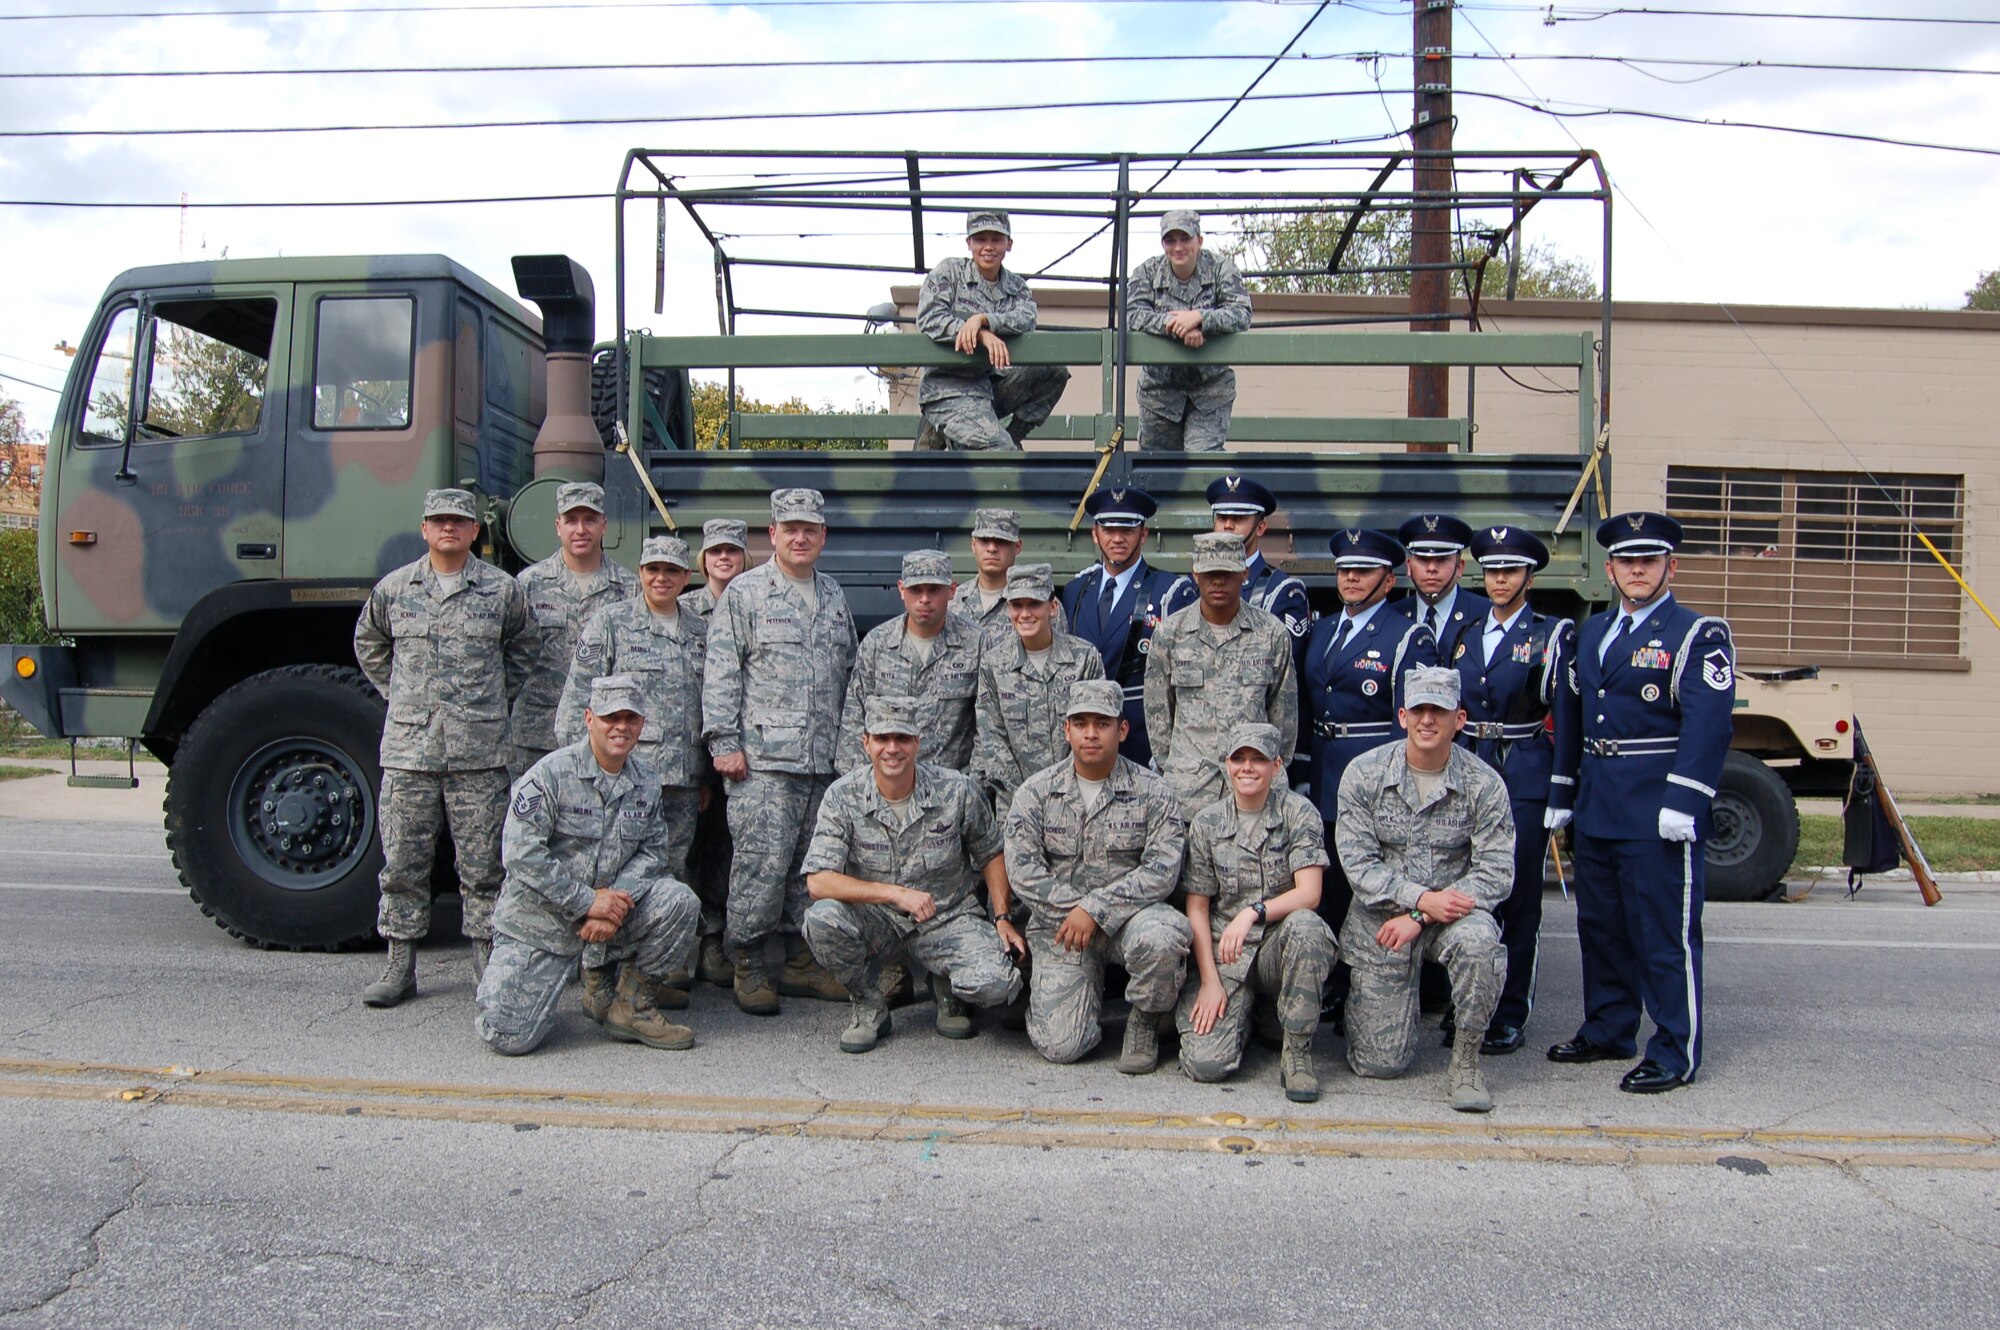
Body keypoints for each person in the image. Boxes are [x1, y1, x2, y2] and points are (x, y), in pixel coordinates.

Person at [1547, 512, 1735, 1094]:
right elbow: (1572, 716)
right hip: (1602, 802)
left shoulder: (1697, 633)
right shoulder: (1594, 631)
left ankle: (1676, 1049)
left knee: (1663, 932)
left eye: (1648, 560)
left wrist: (1685, 799)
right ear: (1610, 569)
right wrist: (1563, 792)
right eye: (1627, 561)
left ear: (1669, 566)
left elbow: (1709, 724)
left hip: (1658, 808)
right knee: (1601, 927)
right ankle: (1609, 1028)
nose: (1637, 570)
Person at [352, 488, 537, 1007]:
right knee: (404, 864)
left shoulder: (501, 591)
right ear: (425, 529)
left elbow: (525, 647)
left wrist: (494, 698)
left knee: (483, 867)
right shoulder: (395, 590)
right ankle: (400, 964)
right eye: (439, 521)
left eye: (460, 520)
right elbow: (368, 642)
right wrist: (401, 694)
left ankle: (485, 960)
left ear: (476, 530)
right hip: (411, 753)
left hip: (478, 753)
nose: (449, 528)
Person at [474, 675, 702, 1056]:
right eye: (611, 717)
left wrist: (613, 905)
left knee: (679, 901)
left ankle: (631, 1005)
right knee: (506, 1035)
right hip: (543, 921)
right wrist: (585, 902)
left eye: (631, 718)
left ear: (642, 724)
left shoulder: (646, 781)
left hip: (609, 915)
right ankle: (563, 986)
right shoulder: (550, 775)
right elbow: (520, 853)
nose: (621, 727)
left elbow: (652, 852)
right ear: (589, 718)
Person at [702, 487, 859, 1014]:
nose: (799, 537)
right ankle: (746, 959)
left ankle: (798, 959)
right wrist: (724, 743)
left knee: (808, 866)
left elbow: (849, 676)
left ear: (822, 537)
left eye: (809, 529)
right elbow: (721, 671)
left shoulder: (833, 595)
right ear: (771, 535)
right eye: (789, 528)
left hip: (822, 762)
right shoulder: (745, 595)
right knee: (759, 867)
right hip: (763, 762)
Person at [1334, 667, 1513, 1113]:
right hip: (1382, 920)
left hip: (1450, 914)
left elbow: (1495, 872)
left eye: (1440, 710)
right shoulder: (1365, 774)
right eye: (1419, 709)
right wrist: (1416, 900)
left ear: (1461, 719)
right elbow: (1358, 865)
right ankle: (1392, 1011)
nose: (1428, 720)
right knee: (1380, 1063)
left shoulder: (1484, 784)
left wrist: (1424, 912)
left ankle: (1467, 1062)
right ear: (1402, 716)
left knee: (1480, 945)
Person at [803, 696, 1026, 1053]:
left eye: (902, 739)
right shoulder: (842, 797)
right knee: (822, 919)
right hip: (881, 922)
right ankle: (868, 1004)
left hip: (947, 919)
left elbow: (991, 852)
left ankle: (948, 984)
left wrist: (1001, 916)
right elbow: (818, 881)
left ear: (917, 742)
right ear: (866, 743)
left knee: (998, 984)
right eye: (882, 739)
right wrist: (893, 894)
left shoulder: (956, 790)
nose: (892, 749)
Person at [1003, 679, 1191, 1073]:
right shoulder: (1035, 793)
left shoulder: (1154, 792)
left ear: (1122, 730)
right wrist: (1075, 912)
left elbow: (1162, 870)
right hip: (1063, 927)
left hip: (1131, 921)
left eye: (1102, 723)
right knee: (1062, 1047)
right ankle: (1060, 995)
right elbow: (1023, 871)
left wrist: (1095, 909)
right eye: (1081, 722)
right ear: (1066, 729)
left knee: (1163, 937)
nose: (1091, 733)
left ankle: (1145, 1019)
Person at [555, 534, 708, 1013]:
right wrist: (579, 772)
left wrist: (703, 773)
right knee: (611, 877)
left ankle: (645, 974)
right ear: (640, 573)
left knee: (666, 876)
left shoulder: (701, 631)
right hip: (617, 781)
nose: (661, 578)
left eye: (671, 571)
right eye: (652, 569)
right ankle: (598, 978)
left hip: (679, 781)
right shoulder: (612, 622)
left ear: (686, 578)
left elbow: (709, 706)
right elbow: (576, 701)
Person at [1299, 528, 1437, 1018]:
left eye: (1364, 571)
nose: (1351, 578)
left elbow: (1416, 724)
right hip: (1326, 775)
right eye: (1344, 570)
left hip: (1378, 779)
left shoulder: (1407, 635)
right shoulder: (1324, 629)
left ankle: (1378, 990)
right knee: (1333, 885)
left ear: (1389, 579)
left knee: (1377, 886)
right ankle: (1336, 982)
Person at [1448, 526, 1575, 1054]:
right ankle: (1468, 1006)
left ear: (1529, 576)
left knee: (1518, 898)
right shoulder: (1466, 631)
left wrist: (1562, 790)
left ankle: (1509, 1012)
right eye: (1493, 570)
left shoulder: (1551, 634)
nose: (1500, 580)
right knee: (1465, 891)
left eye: (1511, 571)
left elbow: (1568, 717)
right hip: (1470, 768)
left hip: (1523, 770)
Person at [1175, 722, 1337, 1102]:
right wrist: (1211, 981)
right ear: (1226, 765)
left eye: (1258, 760)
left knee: (1307, 928)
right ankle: (1253, 1015)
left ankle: (1296, 1053)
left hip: (1277, 949)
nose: (1247, 768)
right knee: (1206, 1065)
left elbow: (1310, 894)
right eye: (1239, 759)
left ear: (1277, 765)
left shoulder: (1299, 814)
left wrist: (1254, 911)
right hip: (1227, 955)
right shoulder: (1207, 824)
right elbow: (1197, 908)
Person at [1142, 532, 1297, 819]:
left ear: (1245, 573)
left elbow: (1283, 718)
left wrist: (1266, 768)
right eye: (1210, 573)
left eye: (1227, 573)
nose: (1218, 581)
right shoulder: (1169, 635)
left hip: (1254, 794)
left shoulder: (1271, 633)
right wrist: (1179, 768)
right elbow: (1158, 716)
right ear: (1195, 574)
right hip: (1188, 795)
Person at [508, 481, 639, 781]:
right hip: (535, 736)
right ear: (558, 526)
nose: (581, 529)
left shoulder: (629, 589)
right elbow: (506, 657)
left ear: (604, 525)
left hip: (603, 739)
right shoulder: (527, 585)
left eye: (589, 520)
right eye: (571, 521)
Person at [914, 210, 1071, 451]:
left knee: (1054, 369)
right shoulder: (950, 273)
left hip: (989, 385)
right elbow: (930, 317)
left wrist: (984, 320)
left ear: (1009, 244)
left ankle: (1006, 435)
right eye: (980, 239)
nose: (988, 247)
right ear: (968, 243)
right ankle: (959, 432)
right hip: (949, 386)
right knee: (999, 452)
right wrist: (980, 334)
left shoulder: (1016, 286)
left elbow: (1027, 318)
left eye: (996, 239)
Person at [970, 563, 1104, 816]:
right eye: (1016, 605)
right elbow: (991, 738)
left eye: (1034, 604)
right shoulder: (994, 663)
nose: (1025, 614)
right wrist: (1025, 796)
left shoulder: (1084, 658)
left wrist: (1064, 792)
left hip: (1076, 804)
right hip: (1015, 805)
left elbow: (1094, 732)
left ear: (1052, 608)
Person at [1058, 485, 1178, 766]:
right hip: (1087, 739)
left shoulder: (1168, 590)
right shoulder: (1076, 590)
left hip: (1142, 738)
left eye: (1127, 531)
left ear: (1144, 534)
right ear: (1095, 534)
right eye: (1109, 530)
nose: (1117, 539)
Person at [836, 549, 983, 774]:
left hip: (952, 790)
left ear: (952, 590)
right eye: (916, 590)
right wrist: (859, 789)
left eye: (934, 590)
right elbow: (854, 723)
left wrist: (974, 787)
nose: (924, 599)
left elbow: (988, 726)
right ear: (901, 590)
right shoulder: (878, 644)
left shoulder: (976, 644)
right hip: (888, 786)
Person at [680, 517, 750, 988]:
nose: (723, 559)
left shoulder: (756, 604)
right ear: (702, 559)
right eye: (715, 552)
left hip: (741, 753)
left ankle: (716, 940)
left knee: (727, 851)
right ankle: (683, 945)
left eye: (732, 551)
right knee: (688, 850)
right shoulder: (682, 610)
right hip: (691, 752)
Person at [1126, 209, 1253, 453]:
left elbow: (1242, 313)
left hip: (1210, 391)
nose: (1178, 247)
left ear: (1199, 240)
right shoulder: (1146, 273)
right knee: (1157, 474)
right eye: (1170, 240)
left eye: (1185, 239)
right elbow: (1132, 315)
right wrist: (1176, 327)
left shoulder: (1221, 270)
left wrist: (1201, 318)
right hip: (1160, 393)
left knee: (1201, 466)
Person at [1163, 475, 1311, 661]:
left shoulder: (1281, 591)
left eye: (1238, 518)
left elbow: (1285, 666)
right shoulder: (1188, 587)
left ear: (1261, 527)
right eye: (1222, 517)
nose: (1227, 525)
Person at [952, 507, 1067, 642]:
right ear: (973, 545)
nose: (992, 549)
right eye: (984, 540)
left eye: (1001, 541)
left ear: (1017, 546)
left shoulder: (1043, 605)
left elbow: (1059, 657)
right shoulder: (953, 601)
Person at [1394, 514, 1491, 668]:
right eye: (1422, 559)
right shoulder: (1393, 616)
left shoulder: (1486, 616)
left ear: (1460, 567)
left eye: (1442, 559)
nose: (1432, 568)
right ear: (1408, 566)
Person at [680, 517, 748, 619]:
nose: (724, 556)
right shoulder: (683, 608)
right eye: (715, 551)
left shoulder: (760, 604)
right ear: (704, 560)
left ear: (744, 557)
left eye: (732, 550)